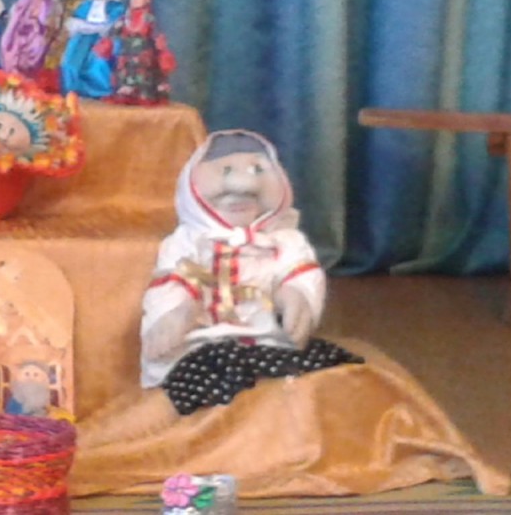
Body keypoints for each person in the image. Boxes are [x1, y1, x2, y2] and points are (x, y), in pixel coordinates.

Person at [139, 130, 362, 415]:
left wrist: (295, 295)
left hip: (266, 341)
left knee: (313, 373)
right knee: (212, 375)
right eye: (226, 171)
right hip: (203, 345)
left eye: (258, 170)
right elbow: (174, 280)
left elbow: (300, 273)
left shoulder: (285, 240)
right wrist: (177, 313)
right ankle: (236, 423)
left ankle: (279, 414)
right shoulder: (186, 242)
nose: (244, 187)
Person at [99, 0, 177, 105]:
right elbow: (111, 33)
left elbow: (157, 37)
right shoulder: (124, 19)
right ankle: (125, 94)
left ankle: (142, 95)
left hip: (144, 60)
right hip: (126, 59)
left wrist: (163, 53)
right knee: (124, 77)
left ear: (147, 0)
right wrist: (106, 45)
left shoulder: (149, 19)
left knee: (143, 78)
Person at [59, 0, 125, 98]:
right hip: (83, 39)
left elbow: (112, 24)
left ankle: (100, 90)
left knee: (98, 62)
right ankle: (73, 88)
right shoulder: (85, 5)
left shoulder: (114, 6)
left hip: (103, 39)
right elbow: (76, 21)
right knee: (71, 60)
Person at [39, 0, 87, 92]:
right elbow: (53, 21)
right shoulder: (60, 1)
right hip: (59, 38)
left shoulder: (83, 4)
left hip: (75, 41)